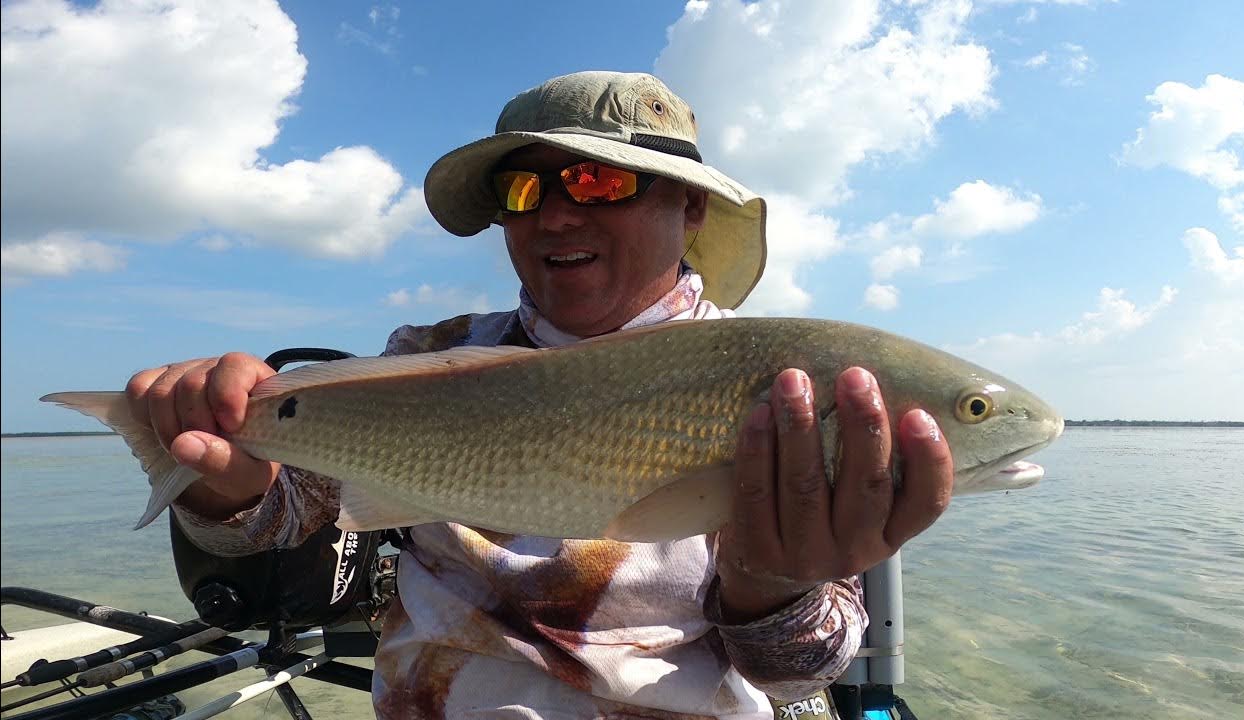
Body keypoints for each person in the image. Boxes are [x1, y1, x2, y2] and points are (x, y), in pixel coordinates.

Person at [126, 71, 954, 719]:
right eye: (524, 192)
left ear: (690, 207)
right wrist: (220, 483)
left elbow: (795, 671)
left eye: (596, 184)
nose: (554, 217)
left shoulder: (787, 386)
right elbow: (285, 517)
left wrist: (771, 582)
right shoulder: (428, 354)